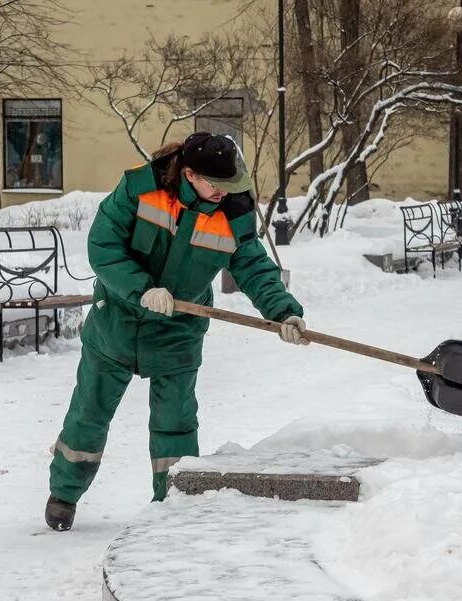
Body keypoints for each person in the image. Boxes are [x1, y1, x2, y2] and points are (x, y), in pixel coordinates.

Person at [44, 132, 307, 531]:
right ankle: (64, 493)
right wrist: (142, 289)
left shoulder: (233, 210)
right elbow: (103, 245)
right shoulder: (141, 188)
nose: (222, 193)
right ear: (189, 174)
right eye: (215, 184)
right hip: (117, 319)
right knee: (89, 414)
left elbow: (252, 266)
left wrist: (284, 312)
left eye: (229, 185)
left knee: (176, 423)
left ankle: (173, 507)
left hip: (179, 328)